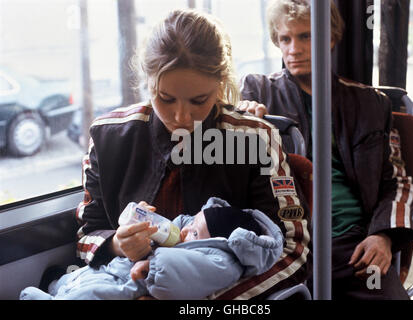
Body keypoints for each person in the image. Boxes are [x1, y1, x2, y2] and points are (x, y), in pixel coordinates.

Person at [73, 9, 311, 300]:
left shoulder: (255, 139)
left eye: (199, 101)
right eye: (165, 98)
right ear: (148, 83)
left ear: (221, 85)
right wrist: (117, 245)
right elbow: (86, 235)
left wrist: (199, 300)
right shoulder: (108, 137)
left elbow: (293, 249)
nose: (181, 117)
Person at [239, 0, 413, 299]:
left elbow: (397, 181)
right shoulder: (258, 92)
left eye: (306, 36)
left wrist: (383, 235)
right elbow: (232, 170)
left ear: (330, 38)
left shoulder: (371, 104)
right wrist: (241, 120)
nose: (294, 48)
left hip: (355, 246)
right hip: (285, 243)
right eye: (286, 38)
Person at [20, 198, 284, 300]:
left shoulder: (222, 261)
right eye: (191, 222)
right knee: (84, 277)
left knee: (94, 294)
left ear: (217, 241)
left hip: (132, 286)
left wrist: (153, 266)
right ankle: (58, 285)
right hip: (117, 268)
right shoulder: (187, 237)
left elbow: (185, 273)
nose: (184, 231)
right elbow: (89, 230)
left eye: (193, 232)